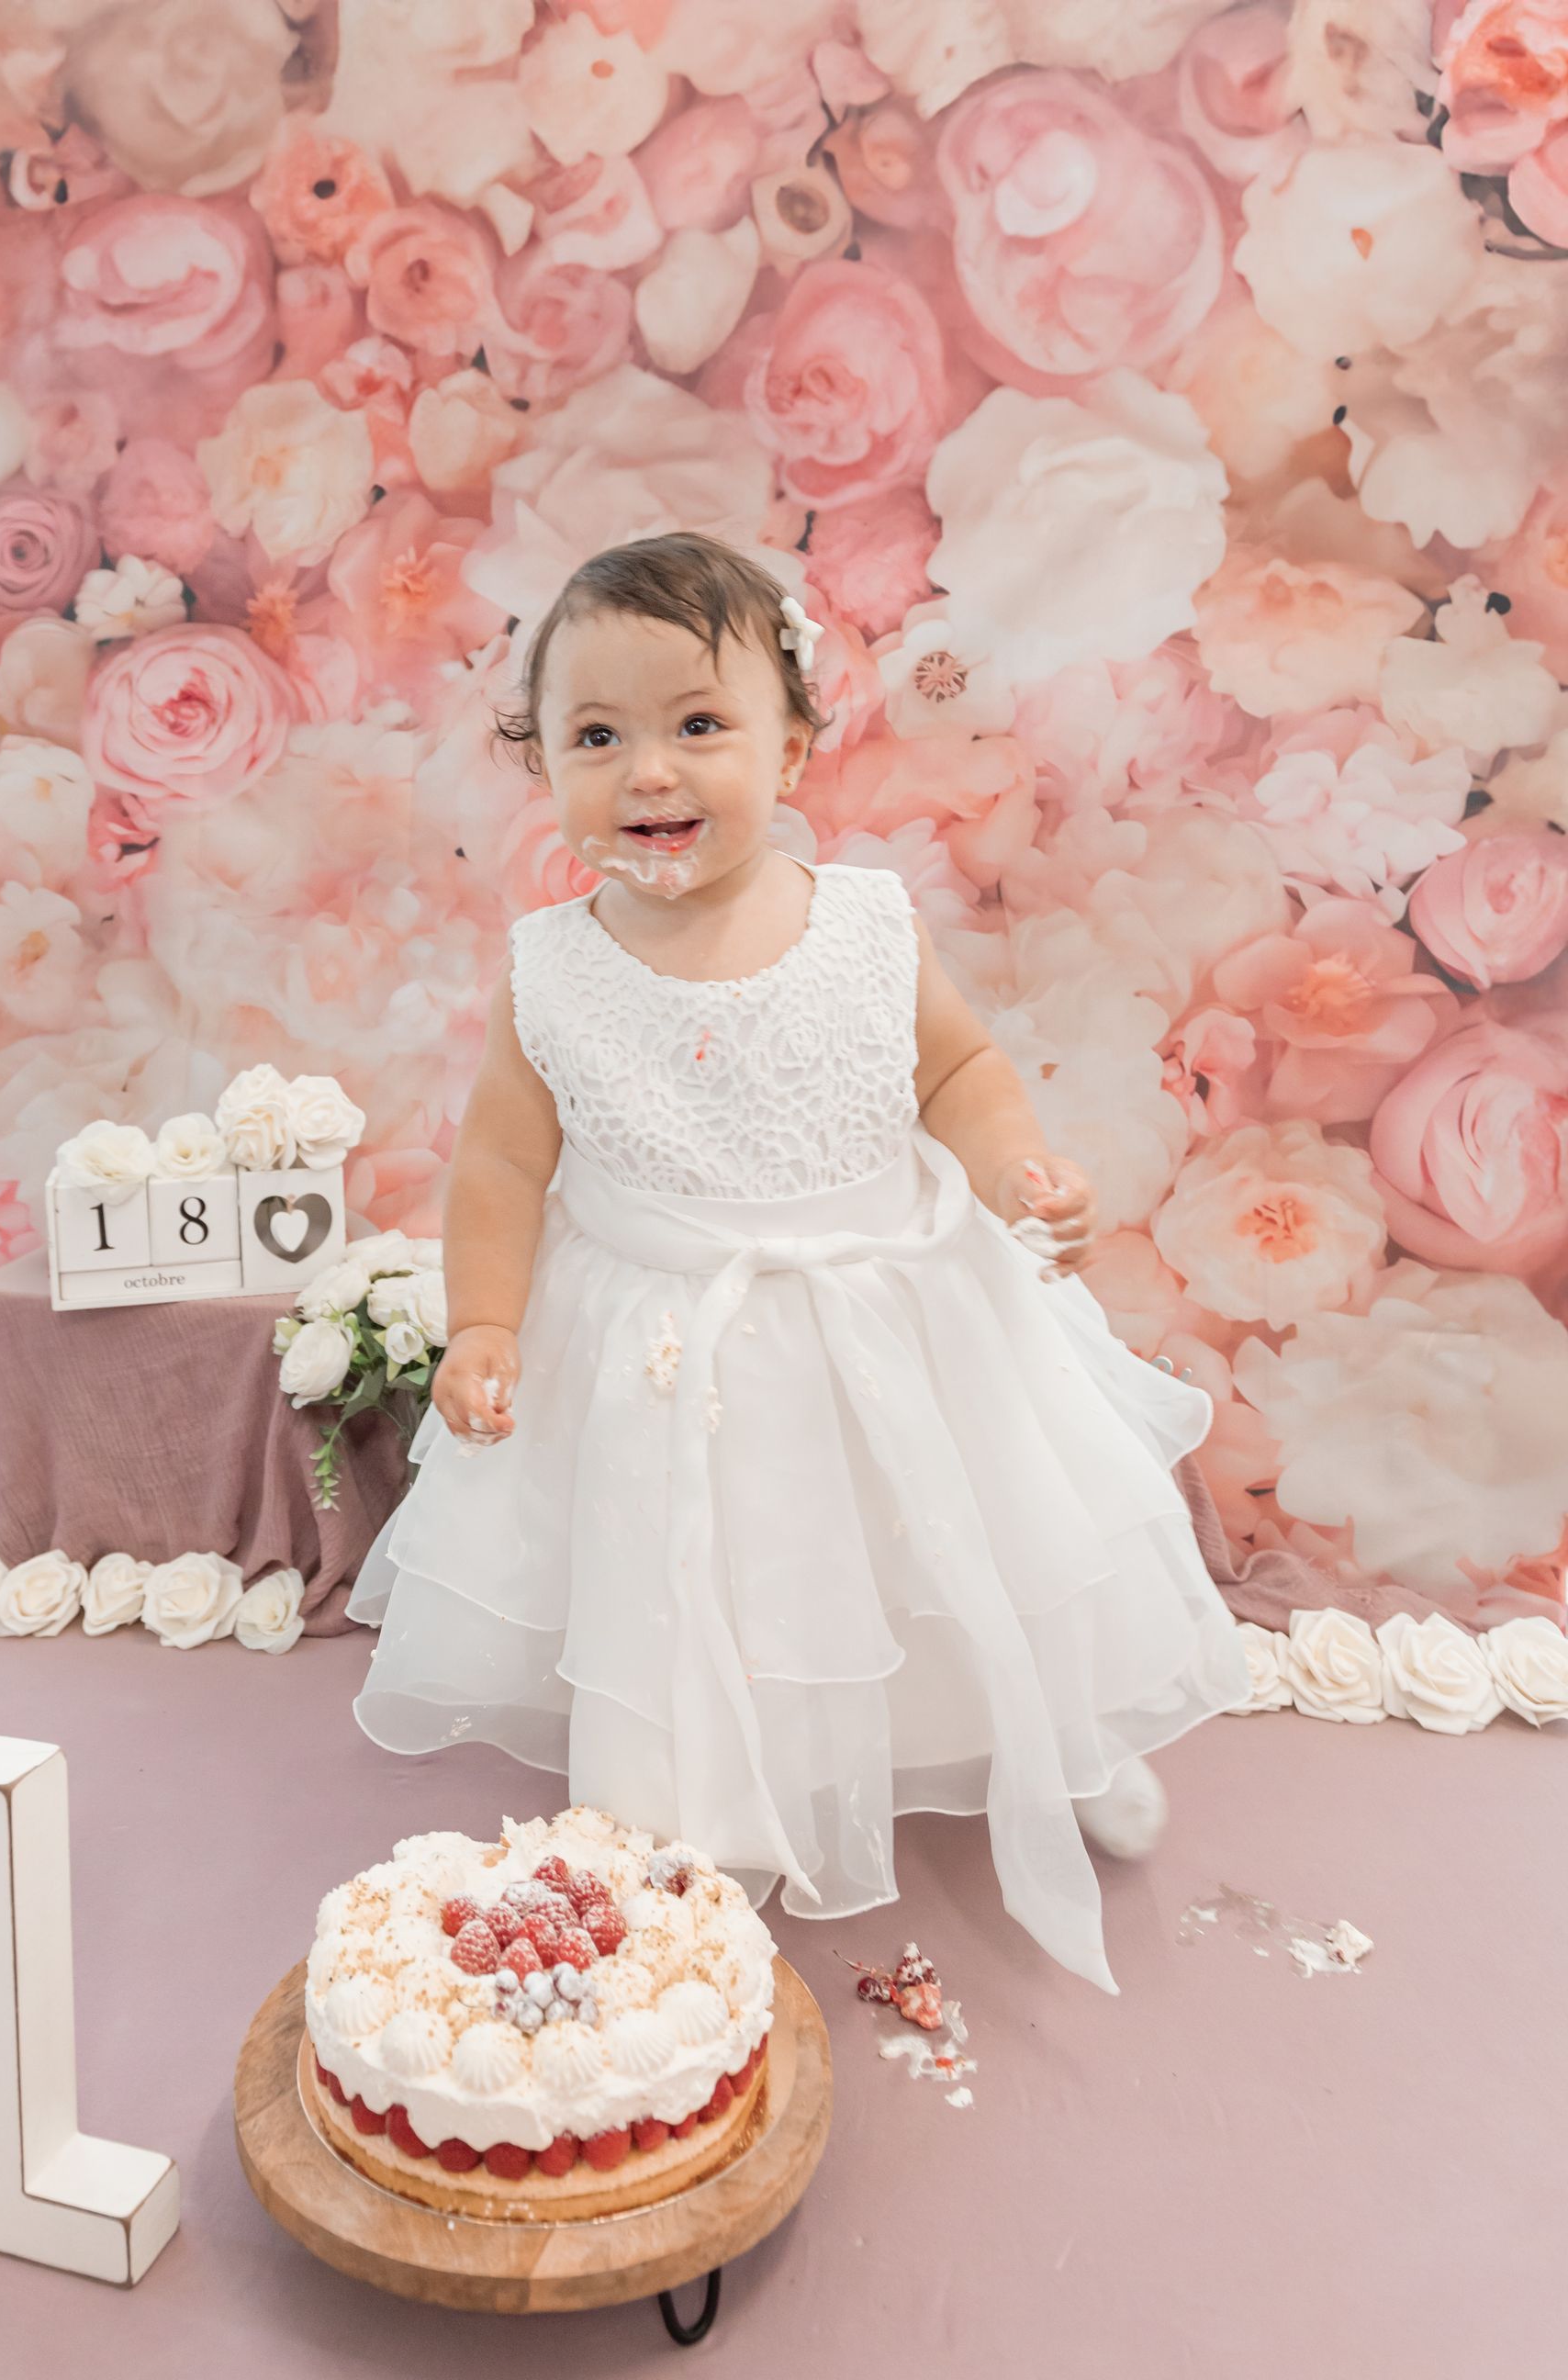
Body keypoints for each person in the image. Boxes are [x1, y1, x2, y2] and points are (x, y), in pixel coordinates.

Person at [350, 533, 1249, 1993]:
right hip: (659, 1333)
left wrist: (1020, 1167)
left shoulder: (861, 924)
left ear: (794, 741)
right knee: (703, 1574)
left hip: (890, 1297)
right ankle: (691, 1801)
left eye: (699, 725)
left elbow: (957, 1065)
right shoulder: (553, 968)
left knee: (967, 1529)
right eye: (597, 737)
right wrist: (484, 1323)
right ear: (544, 767)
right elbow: (504, 1162)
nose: (651, 772)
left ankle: (1052, 1729)